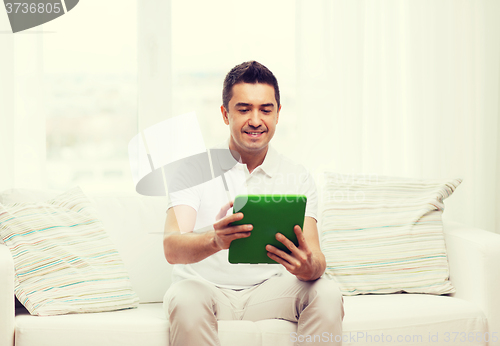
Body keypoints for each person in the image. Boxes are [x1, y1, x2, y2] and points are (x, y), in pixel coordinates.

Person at [162, 61, 344, 346]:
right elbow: (172, 247)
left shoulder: (296, 175)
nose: (256, 120)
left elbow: (317, 259)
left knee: (328, 292)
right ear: (225, 114)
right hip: (204, 290)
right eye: (244, 109)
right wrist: (215, 241)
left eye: (265, 110)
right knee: (185, 298)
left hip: (269, 292)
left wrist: (308, 267)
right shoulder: (193, 170)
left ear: (278, 114)